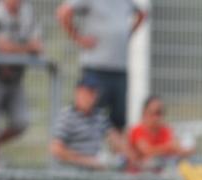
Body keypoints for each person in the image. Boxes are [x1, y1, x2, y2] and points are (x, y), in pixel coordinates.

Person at [0, 0, 42, 180]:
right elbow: (2, 47)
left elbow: (38, 44)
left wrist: (16, 53)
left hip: (15, 78)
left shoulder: (28, 11)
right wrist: (26, 49)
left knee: (21, 122)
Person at [56, 0, 146, 131]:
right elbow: (63, 12)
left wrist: (127, 34)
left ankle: (117, 151)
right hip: (95, 68)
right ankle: (84, 150)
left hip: (119, 69)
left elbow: (142, 14)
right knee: (88, 117)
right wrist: (77, 38)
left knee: (118, 121)